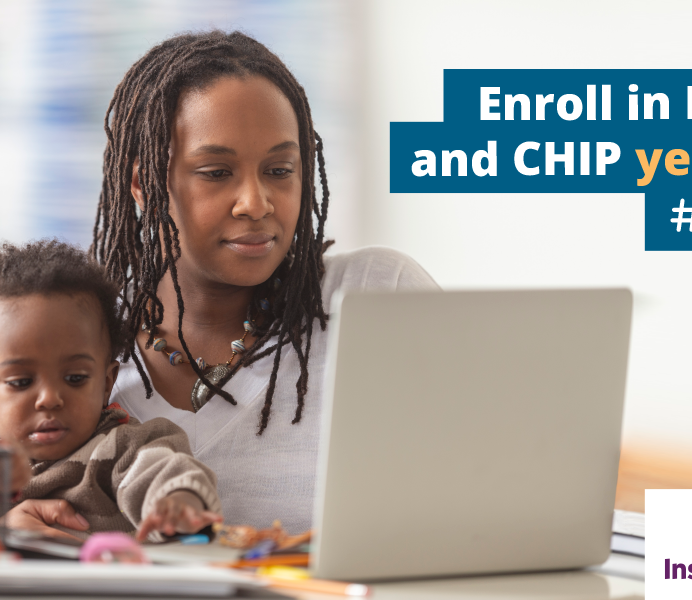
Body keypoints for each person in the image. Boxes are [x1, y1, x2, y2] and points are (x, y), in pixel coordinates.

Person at [77, 30, 440, 532]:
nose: (256, 202)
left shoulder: (376, 297)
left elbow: (497, 478)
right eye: (217, 172)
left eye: (278, 169)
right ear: (143, 183)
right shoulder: (77, 348)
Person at [0, 240, 221, 541]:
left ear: (106, 383)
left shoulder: (122, 448)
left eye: (75, 378)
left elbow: (164, 472)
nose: (50, 398)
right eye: (21, 382)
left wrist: (179, 503)